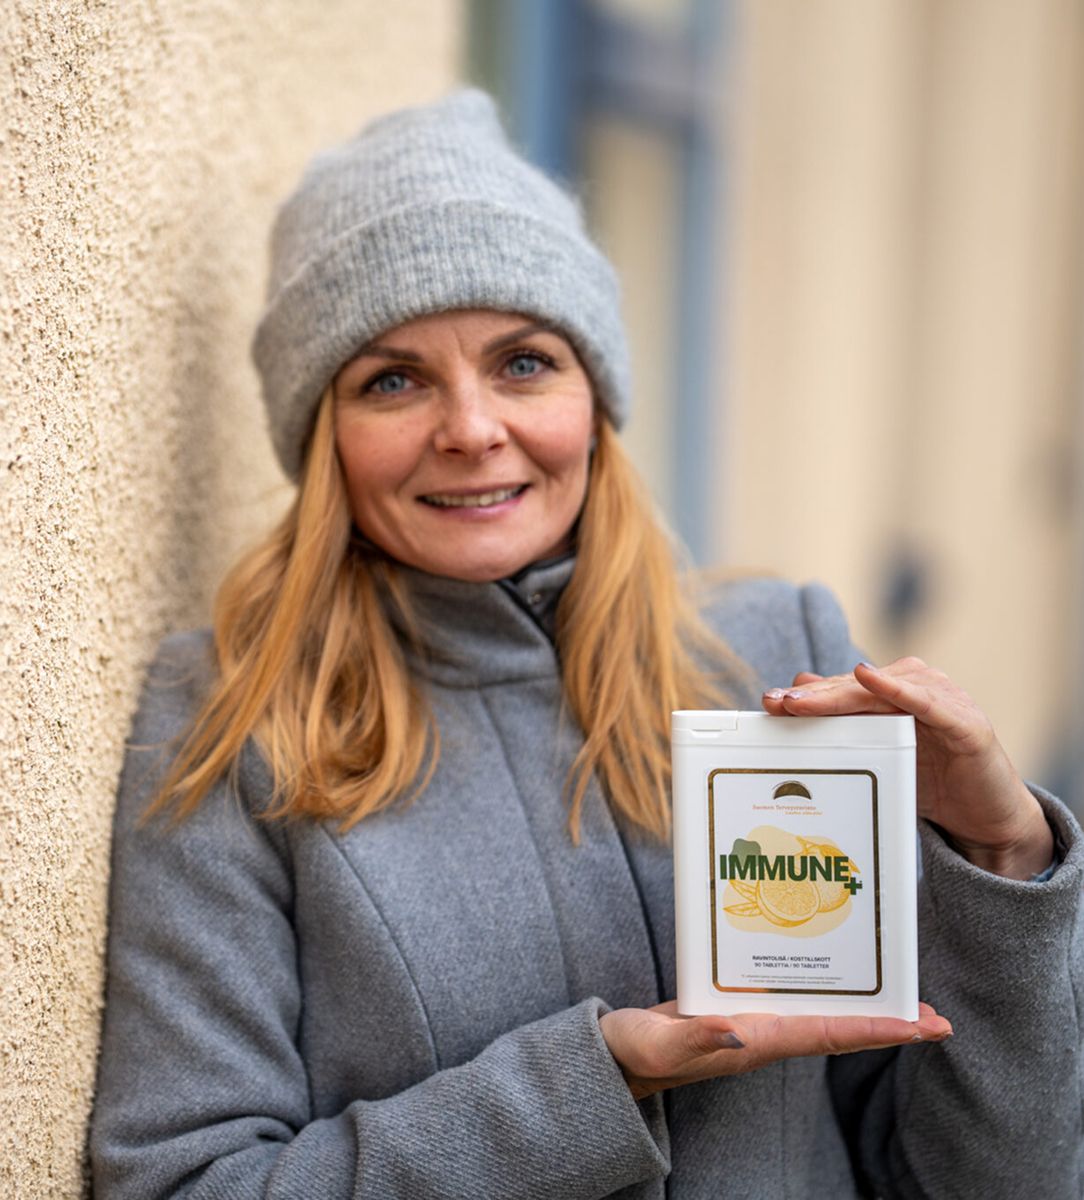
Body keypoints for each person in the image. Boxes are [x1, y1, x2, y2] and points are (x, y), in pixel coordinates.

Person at [90, 89, 1083, 1199]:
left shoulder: (778, 666)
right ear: (322, 435)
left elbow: (997, 1181)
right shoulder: (235, 717)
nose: (471, 429)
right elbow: (184, 1184)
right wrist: (591, 1080)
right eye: (393, 379)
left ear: (593, 396)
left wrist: (1001, 862)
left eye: (522, 362)